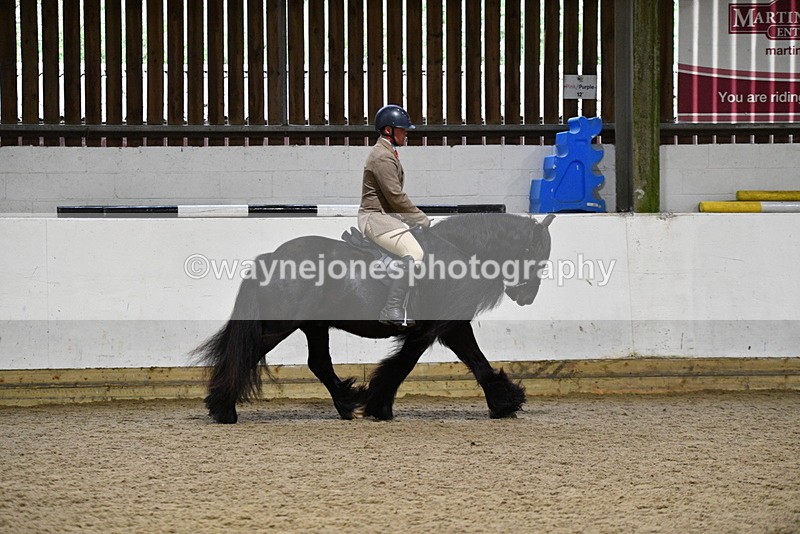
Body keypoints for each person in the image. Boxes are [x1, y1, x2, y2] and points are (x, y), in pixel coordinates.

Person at [358, 104, 430, 327]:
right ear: (388, 130)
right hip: (375, 219)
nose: (406, 133)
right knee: (415, 252)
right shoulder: (382, 157)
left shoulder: (388, 153)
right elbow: (395, 197)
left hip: (387, 218)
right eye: (403, 129)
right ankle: (392, 308)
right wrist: (420, 218)